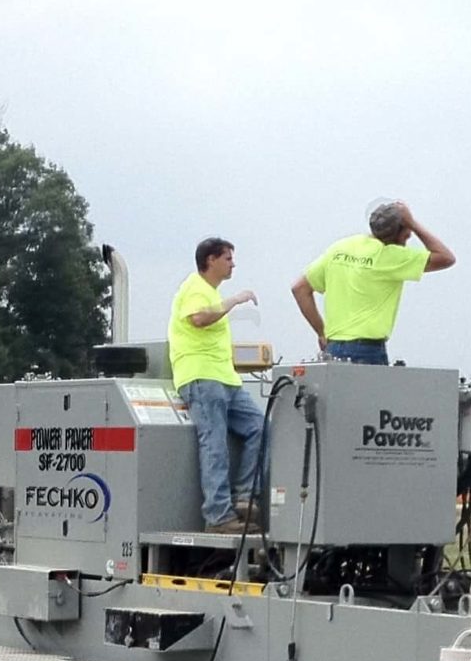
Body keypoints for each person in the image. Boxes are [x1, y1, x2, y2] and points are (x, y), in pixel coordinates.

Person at [169, 237, 265, 531]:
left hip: (224, 378)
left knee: (259, 427)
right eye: (228, 258)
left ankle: (245, 498)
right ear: (211, 260)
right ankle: (218, 516)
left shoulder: (207, 291)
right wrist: (234, 300)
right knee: (215, 444)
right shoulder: (194, 287)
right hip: (201, 377)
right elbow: (199, 318)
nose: (232, 264)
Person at [289, 198, 455, 364]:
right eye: (406, 236)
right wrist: (413, 223)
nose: (407, 240)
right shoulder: (392, 257)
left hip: (334, 348)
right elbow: (446, 258)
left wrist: (321, 333)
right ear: (397, 235)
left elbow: (300, 288)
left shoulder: (340, 248)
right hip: (368, 350)